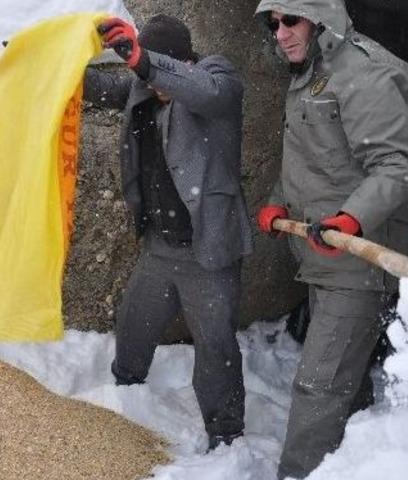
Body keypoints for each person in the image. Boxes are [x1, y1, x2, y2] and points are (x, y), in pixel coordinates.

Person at [252, 0, 408, 477]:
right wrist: (278, 199)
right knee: (342, 379)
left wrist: (352, 218)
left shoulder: (362, 74)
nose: (281, 33)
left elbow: (396, 167)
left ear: (320, 18)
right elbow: (313, 161)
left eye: (291, 20)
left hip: (356, 260)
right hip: (321, 255)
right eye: (274, 24)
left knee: (320, 384)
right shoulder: (311, 73)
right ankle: (354, 463)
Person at [84, 14, 253, 450]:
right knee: (134, 326)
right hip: (159, 248)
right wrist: (46, 64)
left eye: (160, 70)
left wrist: (145, 61)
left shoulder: (217, 79)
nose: (155, 85)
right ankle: (124, 399)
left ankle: (226, 436)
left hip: (208, 252)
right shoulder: (144, 88)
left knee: (215, 349)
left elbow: (204, 91)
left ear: (185, 60)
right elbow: (99, 89)